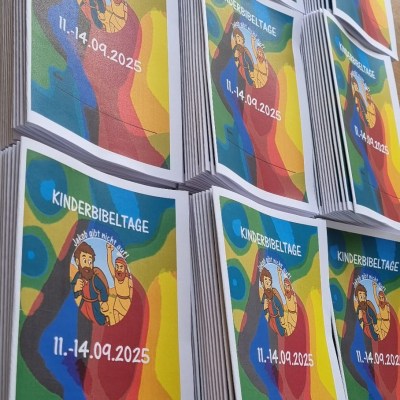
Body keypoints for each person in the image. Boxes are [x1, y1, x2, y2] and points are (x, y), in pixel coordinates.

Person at [71, 242, 109, 325]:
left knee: (98, 319)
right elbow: (71, 289)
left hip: (94, 304)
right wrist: (75, 288)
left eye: (90, 262)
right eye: (85, 261)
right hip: (83, 303)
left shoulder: (94, 278)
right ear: (77, 261)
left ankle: (105, 321)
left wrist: (104, 301)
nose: (88, 265)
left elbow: (102, 288)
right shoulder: (78, 275)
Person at [107, 243, 133, 323]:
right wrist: (109, 251)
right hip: (117, 301)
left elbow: (132, 295)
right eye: (117, 266)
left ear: (125, 269)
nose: (118, 269)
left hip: (126, 302)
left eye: (121, 267)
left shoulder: (128, 280)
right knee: (115, 315)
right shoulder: (115, 277)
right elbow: (110, 264)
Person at [260, 268, 286, 336]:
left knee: (281, 332)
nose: (268, 282)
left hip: (276, 319)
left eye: (269, 280)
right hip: (269, 319)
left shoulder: (274, 295)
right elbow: (262, 309)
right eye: (265, 279)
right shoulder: (264, 296)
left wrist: (282, 317)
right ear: (262, 283)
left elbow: (279, 306)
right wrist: (265, 309)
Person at [278, 267, 297, 335]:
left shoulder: (293, 295)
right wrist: (279, 274)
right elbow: (281, 285)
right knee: (288, 330)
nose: (286, 287)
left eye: (288, 286)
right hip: (288, 315)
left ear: (290, 287)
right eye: (285, 286)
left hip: (294, 315)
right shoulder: (285, 295)